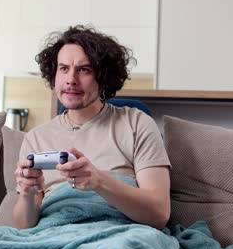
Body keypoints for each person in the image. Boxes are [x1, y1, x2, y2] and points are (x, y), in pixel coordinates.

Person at [12, 25, 171, 230]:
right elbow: (23, 229)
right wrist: (27, 192)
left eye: (84, 70)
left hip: (118, 233)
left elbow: (159, 213)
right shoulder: (35, 138)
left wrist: (98, 181)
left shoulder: (137, 124)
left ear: (103, 78)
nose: (71, 80)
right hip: (53, 234)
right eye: (63, 69)